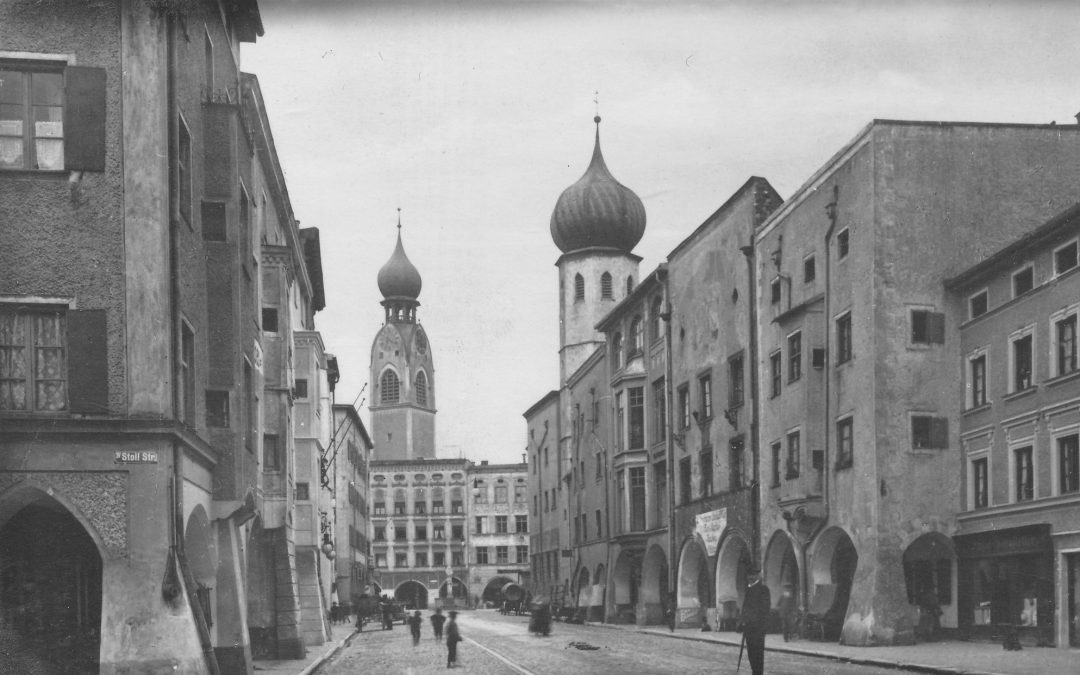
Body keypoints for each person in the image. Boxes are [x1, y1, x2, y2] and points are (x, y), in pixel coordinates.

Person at [738, 567, 771, 675]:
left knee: (757, 654)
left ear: (758, 576)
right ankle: (755, 672)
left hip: (758, 629)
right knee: (751, 653)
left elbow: (764, 609)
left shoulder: (763, 590)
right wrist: (742, 621)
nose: (749, 578)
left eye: (752, 575)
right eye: (748, 575)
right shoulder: (749, 589)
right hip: (749, 628)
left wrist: (752, 620)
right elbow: (745, 608)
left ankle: (757, 673)